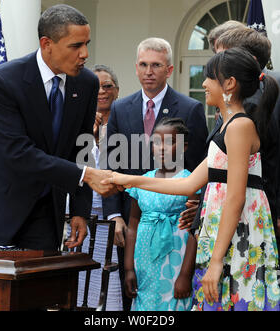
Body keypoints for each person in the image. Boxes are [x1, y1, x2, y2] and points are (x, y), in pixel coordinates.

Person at [105, 47, 280, 311]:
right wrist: (125, 179)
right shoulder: (226, 125)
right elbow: (185, 185)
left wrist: (217, 260)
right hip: (221, 234)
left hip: (237, 237)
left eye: (209, 77)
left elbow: (235, 198)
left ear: (229, 84)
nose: (204, 84)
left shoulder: (240, 126)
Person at [0, 5, 117, 250]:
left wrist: (79, 210)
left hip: (48, 210)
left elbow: (82, 148)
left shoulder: (86, 83)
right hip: (0, 206)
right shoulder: (3, 80)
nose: (85, 53)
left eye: (87, 43)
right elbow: (17, 152)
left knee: (43, 286)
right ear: (47, 44)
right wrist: (84, 175)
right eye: (76, 46)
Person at [102, 37, 208, 310]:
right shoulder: (119, 107)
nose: (149, 71)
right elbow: (110, 165)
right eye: (143, 64)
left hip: (178, 227)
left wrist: (196, 209)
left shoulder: (190, 108)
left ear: (169, 70)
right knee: (134, 294)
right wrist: (114, 216)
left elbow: (198, 168)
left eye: (156, 65)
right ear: (136, 68)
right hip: (134, 219)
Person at [205, 26, 280, 251]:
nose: (207, 81)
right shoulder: (232, 111)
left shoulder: (246, 118)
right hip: (225, 214)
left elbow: (238, 194)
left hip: (246, 224)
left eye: (223, 59)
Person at [125, 117, 199, 311]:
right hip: (144, 260)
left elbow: (195, 231)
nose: (162, 148)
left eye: (170, 143)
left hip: (176, 258)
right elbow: (132, 226)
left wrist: (185, 275)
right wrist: (128, 268)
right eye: (157, 143)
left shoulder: (190, 182)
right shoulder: (142, 182)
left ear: (184, 147)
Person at [72, 64, 123, 310]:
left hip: (112, 216)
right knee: (82, 283)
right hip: (82, 215)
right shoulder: (77, 124)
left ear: (117, 91)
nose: (101, 91)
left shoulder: (124, 125)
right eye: (96, 86)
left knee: (110, 279)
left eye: (107, 86)